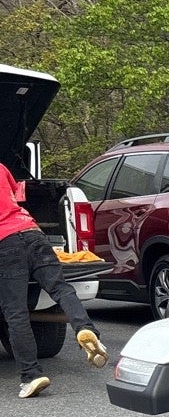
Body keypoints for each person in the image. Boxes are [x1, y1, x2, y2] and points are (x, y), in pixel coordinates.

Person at [0, 160, 108, 398]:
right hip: (32, 232)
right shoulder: (1, 167)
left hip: (5, 244)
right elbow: (17, 196)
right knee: (61, 289)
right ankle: (85, 329)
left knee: (15, 313)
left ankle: (32, 375)